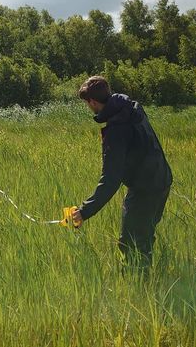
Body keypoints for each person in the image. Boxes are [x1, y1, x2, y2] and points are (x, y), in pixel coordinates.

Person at [71, 76, 172, 274]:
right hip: (163, 180)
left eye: (87, 104)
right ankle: (144, 280)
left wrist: (84, 211)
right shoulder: (132, 108)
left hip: (145, 189)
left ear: (92, 102)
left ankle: (139, 287)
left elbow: (111, 179)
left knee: (131, 243)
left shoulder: (116, 130)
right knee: (144, 235)